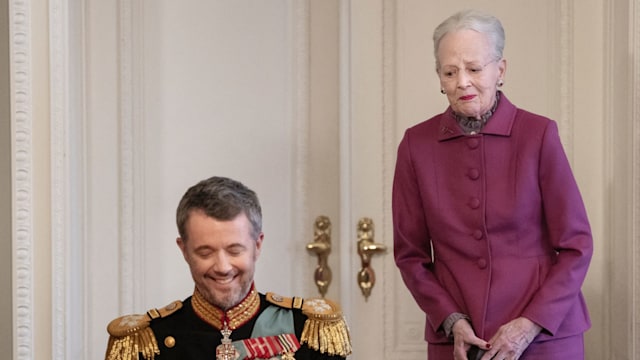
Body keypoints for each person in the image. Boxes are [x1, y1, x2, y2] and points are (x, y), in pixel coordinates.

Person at [392, 9, 593, 360]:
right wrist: (451, 320)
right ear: (439, 77)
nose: (462, 82)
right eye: (450, 72)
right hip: (458, 342)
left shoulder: (538, 135)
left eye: (474, 68)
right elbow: (410, 255)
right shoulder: (415, 145)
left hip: (545, 338)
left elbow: (576, 245)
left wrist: (530, 322)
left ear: (500, 70)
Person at [104, 176, 351, 360]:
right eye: (205, 252)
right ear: (184, 250)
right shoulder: (145, 342)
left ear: (257, 245)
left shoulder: (308, 331)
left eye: (234, 250)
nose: (222, 267)